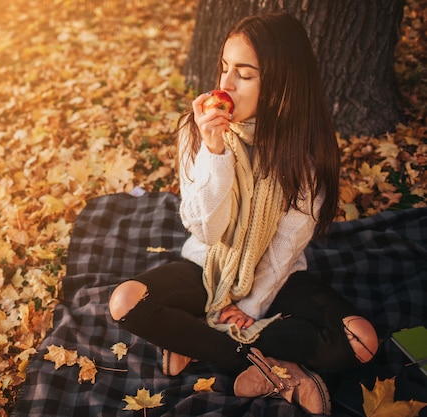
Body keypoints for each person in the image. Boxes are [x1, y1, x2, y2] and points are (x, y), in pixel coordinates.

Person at [108, 13, 379, 416]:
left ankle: (197, 338)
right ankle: (259, 366)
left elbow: (288, 242)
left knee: (362, 340)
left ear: (280, 83)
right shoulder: (197, 129)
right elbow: (204, 228)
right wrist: (213, 152)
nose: (226, 85)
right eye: (224, 68)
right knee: (125, 301)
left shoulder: (304, 149)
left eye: (245, 74)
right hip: (208, 265)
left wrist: (250, 308)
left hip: (275, 275)